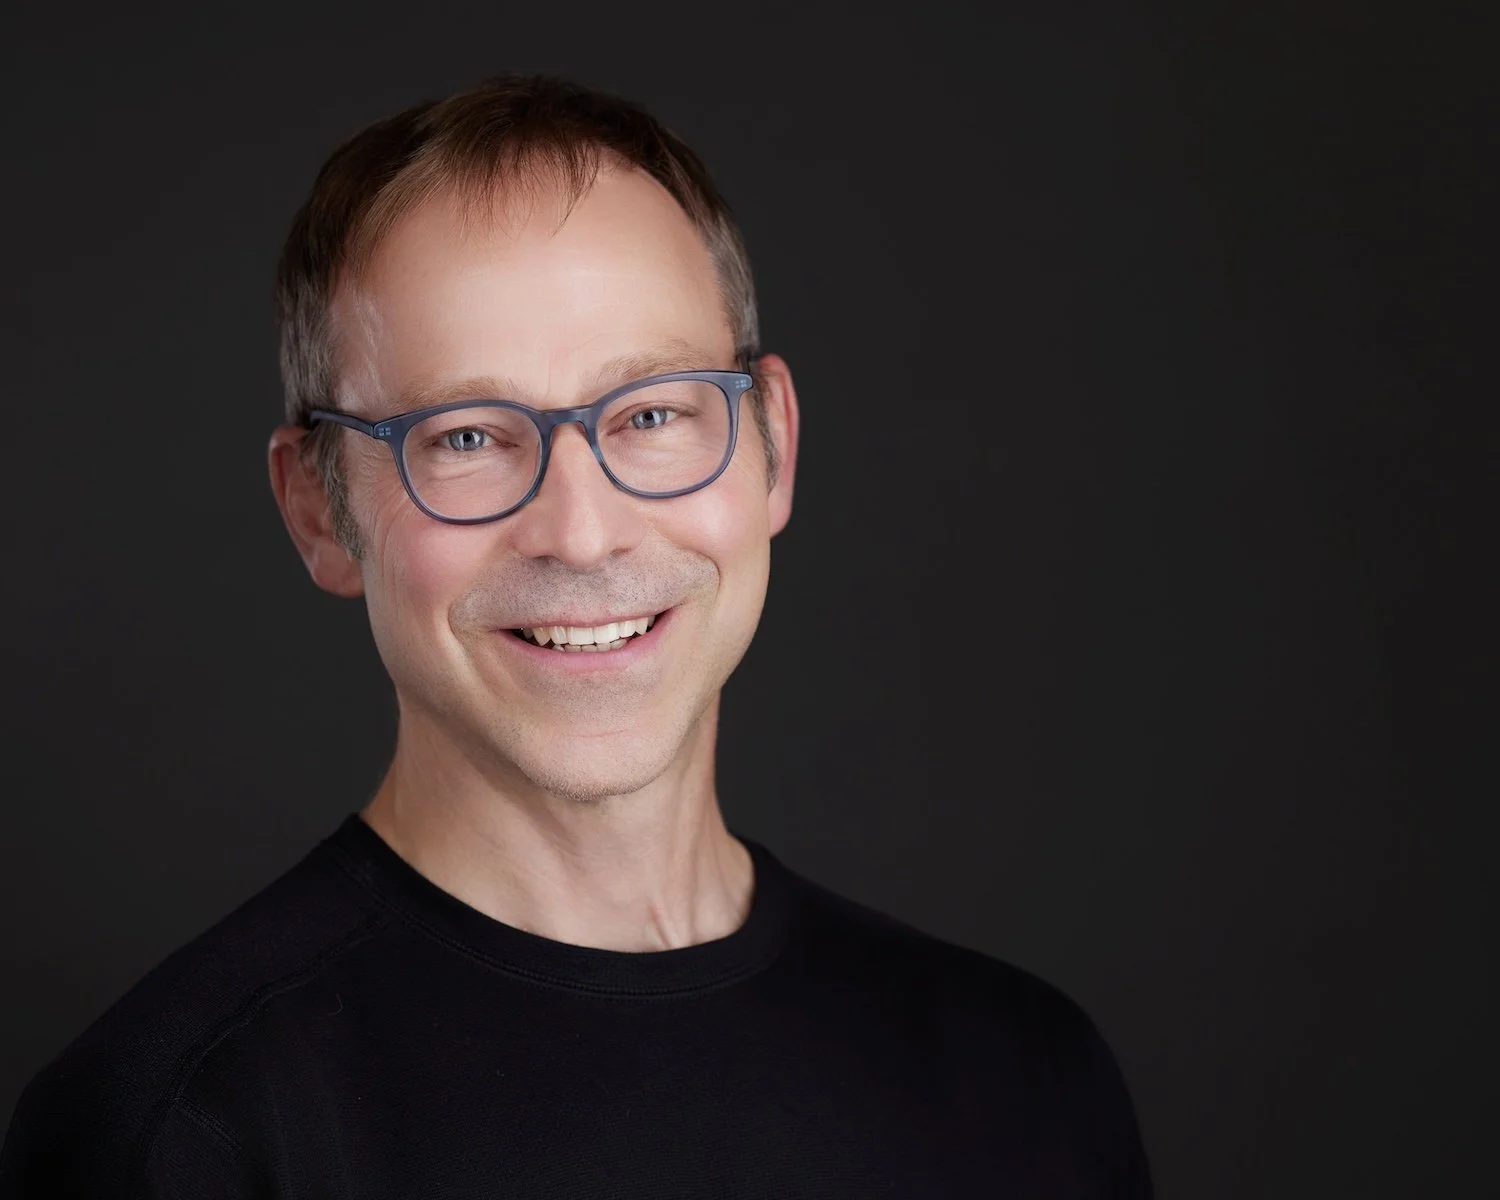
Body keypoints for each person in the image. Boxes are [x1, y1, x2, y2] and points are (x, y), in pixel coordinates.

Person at [0, 74, 1153, 1197]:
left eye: (651, 414)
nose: (582, 533)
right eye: (465, 437)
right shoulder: (176, 1135)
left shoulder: (1030, 1079)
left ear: (774, 447)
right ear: (318, 510)